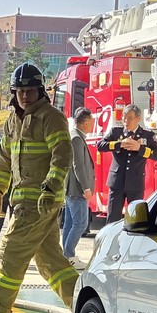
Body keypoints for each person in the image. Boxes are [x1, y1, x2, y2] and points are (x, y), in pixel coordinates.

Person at [0, 63, 79, 313]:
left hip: (38, 204)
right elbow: (4, 160)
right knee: (50, 262)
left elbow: (62, 155)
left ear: (41, 91)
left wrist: (50, 187)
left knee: (10, 252)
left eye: (29, 91)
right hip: (22, 202)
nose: (25, 96)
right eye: (20, 91)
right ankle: (84, 309)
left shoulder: (51, 118)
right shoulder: (12, 121)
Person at [98, 104, 157, 223]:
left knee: (135, 220)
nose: (126, 121)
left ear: (138, 118)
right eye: (124, 117)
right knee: (113, 218)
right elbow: (100, 146)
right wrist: (119, 144)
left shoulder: (147, 135)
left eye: (129, 118)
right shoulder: (115, 132)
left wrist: (140, 149)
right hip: (117, 182)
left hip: (135, 183)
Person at [62, 107, 95, 269]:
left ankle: (66, 256)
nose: (93, 125)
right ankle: (69, 256)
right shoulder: (76, 138)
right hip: (77, 189)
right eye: (92, 121)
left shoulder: (76, 136)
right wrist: (86, 187)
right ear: (85, 122)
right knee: (80, 224)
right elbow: (78, 166)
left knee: (69, 223)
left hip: (72, 189)